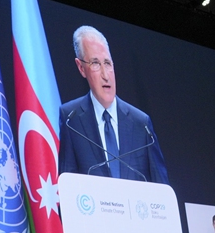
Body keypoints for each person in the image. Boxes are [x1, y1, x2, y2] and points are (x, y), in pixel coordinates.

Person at [57, 26, 169, 184]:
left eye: (107, 63)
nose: (105, 75)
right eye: (95, 63)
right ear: (81, 68)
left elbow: (161, 187)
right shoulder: (71, 119)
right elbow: (67, 188)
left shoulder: (141, 123)